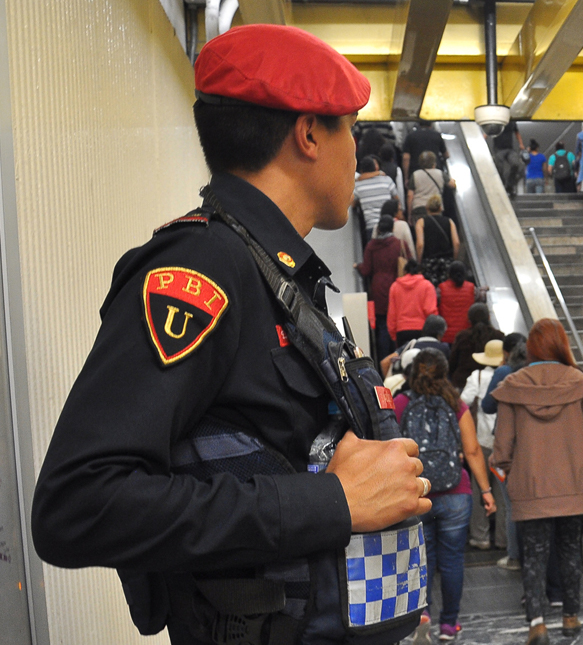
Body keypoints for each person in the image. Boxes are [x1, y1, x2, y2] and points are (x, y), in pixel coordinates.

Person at [29, 24, 431, 644]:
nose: (357, 149)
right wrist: (331, 503)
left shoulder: (278, 277)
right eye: (350, 126)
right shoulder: (201, 269)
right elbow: (78, 504)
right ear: (308, 134)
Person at [490, 319, 583, 645]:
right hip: (573, 484)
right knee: (571, 551)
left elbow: (502, 446)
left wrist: (507, 470)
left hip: (531, 487)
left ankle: (538, 625)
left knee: (533, 555)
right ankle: (571, 618)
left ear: (531, 347)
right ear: (562, 345)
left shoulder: (513, 386)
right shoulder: (578, 382)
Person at [397, 349, 496, 643]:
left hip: (417, 493)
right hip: (456, 493)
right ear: (445, 372)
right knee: (452, 560)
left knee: (421, 559)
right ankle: (450, 625)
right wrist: (487, 491)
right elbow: (473, 450)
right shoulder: (456, 404)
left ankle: (423, 613)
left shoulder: (401, 403)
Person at [480, 332, 527, 571]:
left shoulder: (503, 372)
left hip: (507, 443)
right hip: (532, 443)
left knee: (511, 503)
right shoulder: (533, 371)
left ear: (506, 353)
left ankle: (514, 556)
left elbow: (487, 406)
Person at [462, 339, 506, 551]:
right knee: (503, 492)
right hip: (504, 442)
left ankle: (481, 537)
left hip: (481, 442)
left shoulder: (477, 377)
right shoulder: (511, 375)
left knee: (481, 489)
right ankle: (504, 539)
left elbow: (462, 402)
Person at [355, 215, 409, 356]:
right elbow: (408, 264)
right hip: (397, 285)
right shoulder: (399, 244)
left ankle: (384, 359)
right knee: (398, 323)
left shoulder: (371, 246)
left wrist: (358, 266)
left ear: (378, 229)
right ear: (392, 228)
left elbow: (366, 270)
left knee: (383, 326)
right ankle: (399, 357)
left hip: (378, 288)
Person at [447, 302, 505, 389]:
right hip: (491, 382)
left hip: (462, 382)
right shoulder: (499, 336)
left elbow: (453, 361)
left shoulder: (462, 336)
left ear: (469, 320)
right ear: (489, 317)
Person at [389, 259, 438, 347]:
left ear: (405, 271)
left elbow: (392, 314)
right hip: (422, 329)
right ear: (420, 271)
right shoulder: (427, 285)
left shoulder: (395, 287)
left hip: (402, 330)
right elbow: (430, 311)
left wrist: (393, 335)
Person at [382, 315, 451, 376]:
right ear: (440, 334)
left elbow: (385, 362)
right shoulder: (444, 349)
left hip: (402, 328)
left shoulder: (411, 345)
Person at [353, 155, 400, 239]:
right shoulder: (387, 180)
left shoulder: (358, 186)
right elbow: (397, 200)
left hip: (372, 226)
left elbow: (352, 204)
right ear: (375, 168)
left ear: (361, 170)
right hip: (390, 224)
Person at [409, 150, 455, 220]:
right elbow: (452, 185)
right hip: (435, 208)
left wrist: (409, 214)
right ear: (434, 162)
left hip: (419, 208)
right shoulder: (440, 173)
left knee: (420, 229)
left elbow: (410, 196)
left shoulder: (415, 175)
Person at [438, 261, 476, 343]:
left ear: (449, 274)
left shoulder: (442, 288)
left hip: (446, 336)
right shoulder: (471, 288)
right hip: (465, 335)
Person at [492, 121, 525, 196]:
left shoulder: (512, 122)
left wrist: (521, 144)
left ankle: (510, 186)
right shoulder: (496, 120)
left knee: (516, 164)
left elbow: (517, 133)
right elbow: (488, 131)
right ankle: (501, 185)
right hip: (498, 149)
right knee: (499, 167)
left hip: (509, 149)